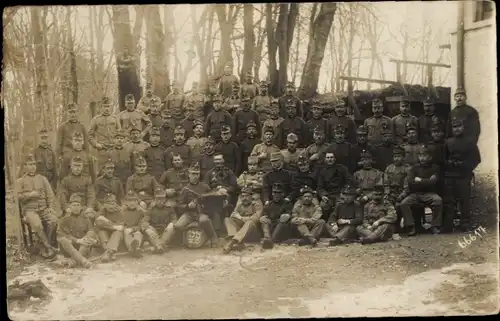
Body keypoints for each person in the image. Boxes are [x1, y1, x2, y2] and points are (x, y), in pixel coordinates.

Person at [442, 118, 481, 232]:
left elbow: (476, 159)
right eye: (454, 127)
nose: (457, 129)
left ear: (463, 127)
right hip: (450, 175)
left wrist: (464, 165)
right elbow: (443, 159)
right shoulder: (448, 142)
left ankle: (465, 223)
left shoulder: (470, 142)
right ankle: (449, 224)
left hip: (464, 175)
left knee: (465, 200)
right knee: (449, 201)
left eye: (459, 126)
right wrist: (450, 164)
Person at [16, 153, 58, 258]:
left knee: (53, 220)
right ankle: (48, 247)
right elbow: (17, 197)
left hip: (44, 209)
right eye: (29, 164)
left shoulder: (42, 179)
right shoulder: (20, 181)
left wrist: (51, 208)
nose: (32, 167)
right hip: (30, 210)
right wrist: (30, 195)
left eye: (34, 164)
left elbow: (50, 195)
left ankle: (42, 245)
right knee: (37, 224)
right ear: (25, 166)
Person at [399, 145, 443, 236]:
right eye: (420, 156)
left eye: (425, 156)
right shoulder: (414, 168)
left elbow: (434, 182)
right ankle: (411, 226)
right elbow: (411, 182)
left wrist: (420, 180)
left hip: (429, 193)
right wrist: (427, 181)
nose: (422, 158)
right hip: (415, 194)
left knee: (438, 200)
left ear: (430, 157)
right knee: (404, 203)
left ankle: (434, 225)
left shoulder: (435, 168)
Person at [57, 194, 98, 268]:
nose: (76, 207)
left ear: (81, 207)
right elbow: (61, 235)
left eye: (78, 205)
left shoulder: (85, 219)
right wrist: (77, 240)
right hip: (69, 249)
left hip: (82, 247)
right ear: (70, 207)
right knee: (63, 239)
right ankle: (83, 261)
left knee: (90, 235)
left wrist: (87, 238)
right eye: (74, 205)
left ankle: (74, 261)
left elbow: (91, 231)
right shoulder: (64, 220)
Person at [121, 190, 163, 257]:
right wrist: (125, 229)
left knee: (140, 233)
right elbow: (120, 224)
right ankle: (132, 249)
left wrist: (133, 229)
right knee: (127, 232)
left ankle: (137, 248)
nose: (132, 203)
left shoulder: (141, 211)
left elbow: (142, 223)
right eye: (130, 201)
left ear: (137, 201)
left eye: (134, 201)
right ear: (126, 202)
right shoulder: (122, 211)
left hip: (137, 231)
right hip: (126, 233)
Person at [222, 186, 263, 254]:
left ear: (251, 196)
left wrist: (240, 218)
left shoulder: (257, 204)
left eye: (246, 196)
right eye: (243, 196)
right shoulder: (240, 205)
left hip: (253, 233)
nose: (244, 198)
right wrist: (235, 216)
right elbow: (233, 215)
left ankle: (231, 243)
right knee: (227, 219)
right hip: (241, 234)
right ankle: (234, 239)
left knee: (250, 222)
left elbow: (256, 219)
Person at [59, 156, 96, 220]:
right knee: (66, 219)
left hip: (84, 207)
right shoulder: (66, 180)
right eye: (75, 166)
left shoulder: (87, 180)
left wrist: (89, 207)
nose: (77, 168)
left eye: (79, 166)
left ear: (82, 167)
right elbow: (62, 196)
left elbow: (91, 195)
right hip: (71, 208)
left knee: (90, 216)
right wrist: (66, 208)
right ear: (71, 167)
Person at [88, 97, 122, 169]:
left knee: (116, 171)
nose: (107, 108)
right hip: (102, 150)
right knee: (101, 170)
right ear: (101, 107)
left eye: (108, 106)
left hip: (114, 149)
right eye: (105, 106)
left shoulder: (115, 119)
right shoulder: (95, 120)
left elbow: (120, 133)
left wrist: (118, 143)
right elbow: (89, 135)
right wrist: (96, 144)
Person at [259, 183, 294, 248]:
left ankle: (271, 240)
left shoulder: (286, 203)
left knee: (282, 221)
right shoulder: (269, 204)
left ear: (283, 194)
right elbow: (265, 215)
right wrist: (265, 217)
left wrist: (287, 216)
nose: (276, 195)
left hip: (282, 227)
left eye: (279, 193)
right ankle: (267, 238)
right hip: (272, 224)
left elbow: (289, 215)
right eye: (275, 192)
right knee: (263, 219)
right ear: (272, 193)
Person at [94, 194, 124, 262]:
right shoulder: (102, 210)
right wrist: (112, 226)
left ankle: (108, 253)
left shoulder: (120, 212)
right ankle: (110, 253)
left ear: (116, 204)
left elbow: (120, 228)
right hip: (106, 237)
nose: (111, 206)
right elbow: (98, 222)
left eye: (113, 204)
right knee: (101, 231)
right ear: (104, 205)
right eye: (108, 204)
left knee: (117, 232)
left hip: (117, 238)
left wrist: (106, 222)